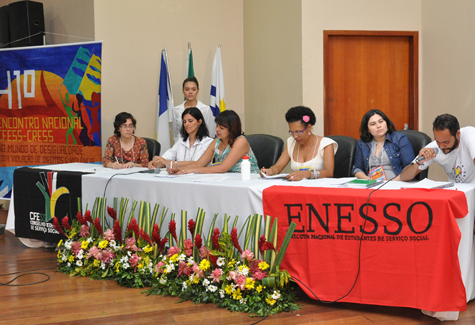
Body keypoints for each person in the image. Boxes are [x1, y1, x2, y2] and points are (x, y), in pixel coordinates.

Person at [260, 106, 337, 181]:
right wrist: (270, 171)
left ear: (309, 127)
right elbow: (278, 167)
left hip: (319, 189)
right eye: (292, 132)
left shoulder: (325, 144)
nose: (295, 136)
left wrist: (306, 174)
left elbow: (329, 173)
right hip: (297, 188)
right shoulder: (291, 142)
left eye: (298, 132)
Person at [170, 110, 259, 174]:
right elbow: (199, 163)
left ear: (232, 129)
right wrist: (179, 169)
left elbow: (222, 168)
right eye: (217, 126)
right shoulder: (216, 142)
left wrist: (190, 170)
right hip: (226, 180)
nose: (217, 130)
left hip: (248, 180)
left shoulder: (240, 141)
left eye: (221, 128)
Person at [400, 114, 475, 183]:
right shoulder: (434, 148)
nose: (441, 146)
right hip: (456, 191)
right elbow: (403, 177)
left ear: (458, 134)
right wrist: (419, 162)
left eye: (446, 142)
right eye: (438, 141)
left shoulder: (470, 136)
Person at [352, 109, 414, 181]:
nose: (378, 126)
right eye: (373, 124)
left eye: (381, 121)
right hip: (371, 185)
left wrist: (390, 183)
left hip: (396, 184)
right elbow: (357, 169)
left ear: (386, 123)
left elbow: (410, 167)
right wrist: (368, 180)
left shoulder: (399, 139)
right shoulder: (362, 143)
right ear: (368, 129)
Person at [148, 107, 213, 169]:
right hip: (180, 176)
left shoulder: (208, 142)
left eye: (190, 121)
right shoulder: (181, 141)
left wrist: (169, 163)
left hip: (199, 178)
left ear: (199, 122)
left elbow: (197, 163)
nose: (186, 124)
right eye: (184, 122)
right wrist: (156, 163)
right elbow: (166, 159)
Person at [171, 77, 215, 142]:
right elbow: (176, 133)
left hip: (201, 146)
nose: (190, 92)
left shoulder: (205, 109)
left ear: (198, 91)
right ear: (183, 91)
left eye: (193, 89)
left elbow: (210, 133)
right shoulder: (176, 110)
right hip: (181, 145)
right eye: (187, 89)